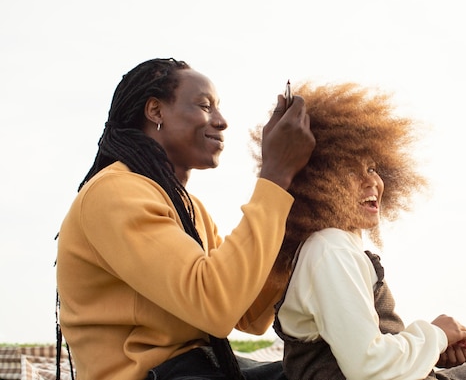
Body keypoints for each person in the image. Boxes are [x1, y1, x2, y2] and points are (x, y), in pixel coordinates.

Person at [251, 82, 466, 380]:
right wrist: (437, 333)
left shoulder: (331, 247)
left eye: (372, 168)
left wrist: (429, 351)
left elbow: (365, 350)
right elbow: (368, 366)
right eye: (350, 170)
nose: (371, 181)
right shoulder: (330, 248)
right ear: (317, 182)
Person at [55, 58, 315, 380]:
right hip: (153, 375)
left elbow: (248, 311)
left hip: (199, 369)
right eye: (205, 106)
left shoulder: (190, 209)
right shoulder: (114, 193)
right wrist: (275, 175)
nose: (221, 121)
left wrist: (296, 196)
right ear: (156, 112)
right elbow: (215, 304)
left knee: (328, 368)